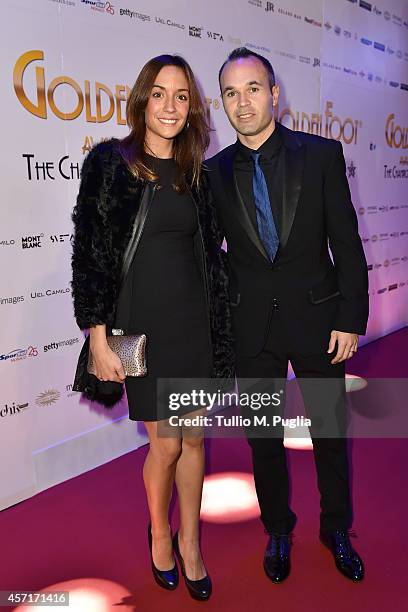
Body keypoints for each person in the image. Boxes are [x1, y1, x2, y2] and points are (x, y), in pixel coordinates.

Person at [71, 54, 234, 602]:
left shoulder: (196, 172)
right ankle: (159, 532)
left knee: (194, 438)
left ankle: (191, 543)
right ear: (143, 99)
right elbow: (90, 255)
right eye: (160, 94)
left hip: (192, 324)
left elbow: (209, 256)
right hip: (138, 327)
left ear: (192, 108)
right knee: (164, 445)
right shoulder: (111, 163)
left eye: (181, 96)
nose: (170, 106)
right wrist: (97, 336)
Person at [206, 48, 369, 583]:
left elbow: (346, 244)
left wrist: (351, 318)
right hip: (252, 329)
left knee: (329, 435)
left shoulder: (321, 155)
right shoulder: (214, 173)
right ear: (223, 103)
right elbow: (209, 258)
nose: (243, 101)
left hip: (321, 322)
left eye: (253, 88)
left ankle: (336, 528)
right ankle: (278, 528)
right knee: (262, 438)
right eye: (232, 93)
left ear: (274, 94)